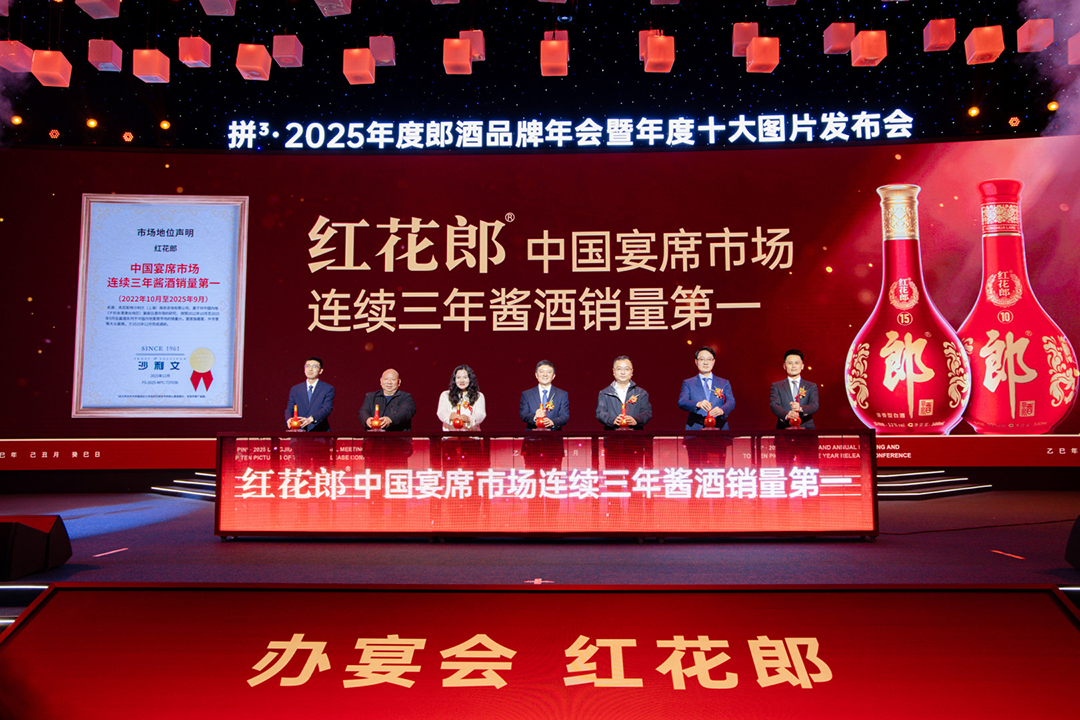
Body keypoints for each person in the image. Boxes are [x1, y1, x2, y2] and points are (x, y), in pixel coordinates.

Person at [678, 346, 735, 430]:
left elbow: (731, 401)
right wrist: (698, 404)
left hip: (719, 427)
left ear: (713, 362)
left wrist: (722, 410)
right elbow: (682, 402)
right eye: (702, 359)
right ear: (696, 362)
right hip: (696, 428)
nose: (705, 363)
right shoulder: (688, 383)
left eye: (709, 359)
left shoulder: (723, 383)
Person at [596, 356, 652, 430]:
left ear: (632, 371)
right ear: (613, 371)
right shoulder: (605, 393)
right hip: (612, 435)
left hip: (635, 435)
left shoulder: (641, 393)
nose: (623, 372)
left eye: (626, 369)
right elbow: (600, 413)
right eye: (619, 369)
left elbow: (647, 413)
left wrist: (636, 420)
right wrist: (613, 420)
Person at [770, 349, 819, 429]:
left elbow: (814, 405)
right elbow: (774, 405)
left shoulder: (811, 386)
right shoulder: (777, 386)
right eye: (790, 363)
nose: (793, 366)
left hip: (807, 428)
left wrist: (800, 408)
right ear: (784, 366)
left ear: (802, 366)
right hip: (784, 428)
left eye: (796, 363)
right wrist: (787, 415)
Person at [284, 357, 334, 432]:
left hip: (319, 431)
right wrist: (289, 419)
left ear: (320, 371)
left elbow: (326, 409)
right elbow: (290, 407)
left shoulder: (327, 389)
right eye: (308, 366)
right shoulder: (295, 389)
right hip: (299, 431)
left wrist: (311, 419)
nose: (310, 369)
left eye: (314, 366)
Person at [519, 360, 569, 430]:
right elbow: (523, 414)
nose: (545, 374)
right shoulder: (527, 394)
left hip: (554, 434)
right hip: (532, 434)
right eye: (541, 371)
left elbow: (564, 416)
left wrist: (552, 422)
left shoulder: (562, 394)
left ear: (553, 376)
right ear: (536, 375)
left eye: (549, 372)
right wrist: (535, 417)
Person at [437, 365, 487, 431]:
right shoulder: (446, 395)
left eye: (465, 377)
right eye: (458, 377)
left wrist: (468, 419)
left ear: (470, 379)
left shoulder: (478, 396)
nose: (461, 380)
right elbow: (441, 412)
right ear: (454, 379)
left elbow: (480, 414)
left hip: (471, 435)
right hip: (450, 435)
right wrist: (450, 416)